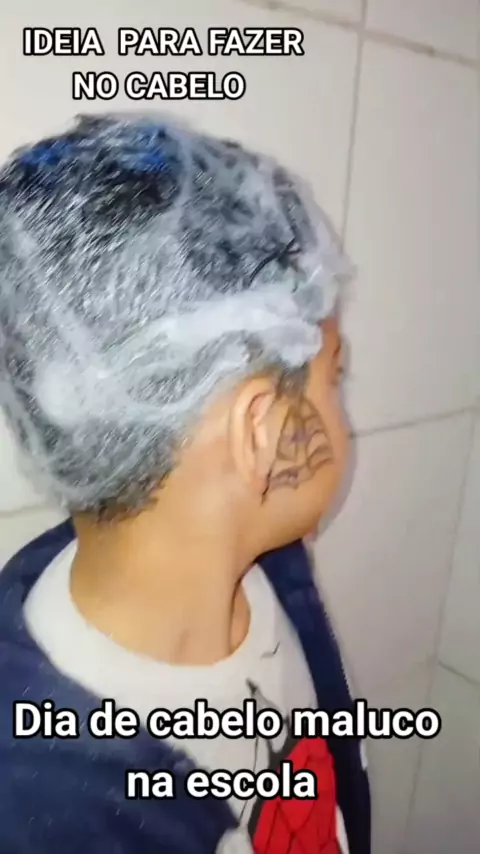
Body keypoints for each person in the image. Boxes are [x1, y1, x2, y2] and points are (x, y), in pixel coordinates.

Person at [0, 114, 370, 854]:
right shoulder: (43, 811)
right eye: (334, 377)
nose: (343, 417)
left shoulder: (269, 570)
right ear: (263, 432)